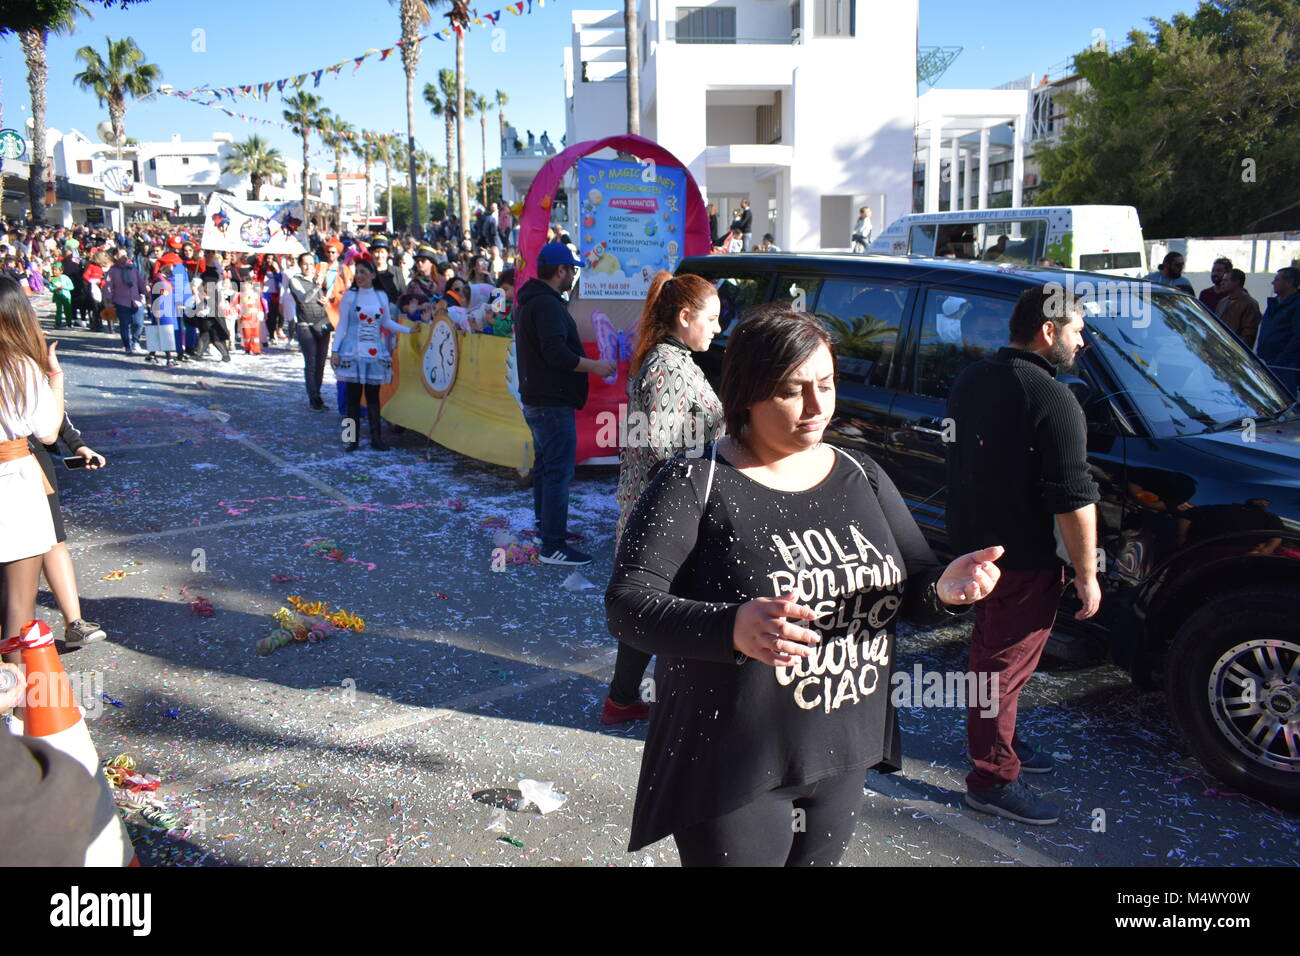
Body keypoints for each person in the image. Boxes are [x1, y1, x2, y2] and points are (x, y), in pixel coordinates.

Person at [605, 307, 1000, 865]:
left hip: (841, 750)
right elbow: (627, 607)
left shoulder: (859, 473)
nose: (817, 408)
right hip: (733, 763)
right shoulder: (696, 481)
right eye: (793, 391)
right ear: (746, 393)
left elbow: (911, 583)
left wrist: (944, 591)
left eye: (827, 384)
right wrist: (730, 626)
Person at [945, 284, 1101, 826]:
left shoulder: (972, 379)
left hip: (973, 557)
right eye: (1078, 331)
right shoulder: (1054, 399)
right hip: (1022, 564)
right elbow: (1073, 500)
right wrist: (1087, 573)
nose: (1083, 342)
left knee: (998, 667)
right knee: (999, 670)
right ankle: (991, 778)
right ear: (1049, 331)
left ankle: (1002, 740)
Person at [604, 272, 726, 726]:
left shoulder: (675, 360)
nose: (717, 327)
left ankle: (622, 700)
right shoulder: (666, 365)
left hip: (665, 505)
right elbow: (662, 447)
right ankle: (657, 702)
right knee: (666, 606)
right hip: (665, 508)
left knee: (653, 603)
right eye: (711, 319)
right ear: (685, 316)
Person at [515, 242, 616, 566]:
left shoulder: (536, 302)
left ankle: (547, 530)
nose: (573, 276)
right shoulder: (546, 305)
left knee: (546, 468)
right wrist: (594, 365)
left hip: (540, 400)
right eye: (571, 270)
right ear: (560, 271)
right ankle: (553, 546)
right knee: (557, 471)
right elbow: (556, 354)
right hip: (550, 403)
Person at [0, 277, 64, 661]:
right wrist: (54, 376)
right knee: (18, 608)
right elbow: (49, 431)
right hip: (13, 486)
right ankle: (14, 706)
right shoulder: (20, 366)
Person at [30, 412, 108, 646]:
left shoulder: (30, 375)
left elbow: (49, 409)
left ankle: (74, 624)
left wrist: (77, 445)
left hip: (28, 459)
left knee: (53, 540)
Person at [330, 257, 413, 450]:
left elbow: (386, 322)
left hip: (374, 350)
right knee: (352, 397)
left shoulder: (381, 296)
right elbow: (342, 324)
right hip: (352, 350)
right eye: (357, 272)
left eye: (363, 272)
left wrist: (409, 330)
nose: (359, 276)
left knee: (373, 397)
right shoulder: (349, 296)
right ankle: (349, 439)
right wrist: (335, 350)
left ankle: (377, 439)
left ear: (373, 275)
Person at [283, 252, 332, 409]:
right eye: (305, 263)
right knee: (311, 363)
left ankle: (317, 393)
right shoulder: (295, 280)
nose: (309, 267)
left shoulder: (319, 280)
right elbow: (304, 298)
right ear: (299, 265)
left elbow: (324, 300)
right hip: (305, 326)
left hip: (322, 324)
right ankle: (313, 398)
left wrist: (326, 301)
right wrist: (316, 286)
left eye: (311, 264)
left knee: (321, 363)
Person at [1255, 266, 1300, 391]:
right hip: (1266, 362)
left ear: (1289, 283)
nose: (1273, 282)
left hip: (1284, 367)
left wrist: (1281, 360)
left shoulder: (1296, 305)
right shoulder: (1274, 304)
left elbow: (1298, 337)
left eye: (1277, 279)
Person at [192, 251, 232, 362]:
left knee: (217, 328)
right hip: (204, 298)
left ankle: (225, 355)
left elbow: (220, 285)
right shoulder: (201, 266)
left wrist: (221, 301)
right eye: (208, 253)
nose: (210, 255)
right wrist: (198, 295)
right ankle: (199, 353)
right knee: (205, 329)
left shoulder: (217, 267)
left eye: (212, 253)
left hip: (215, 299)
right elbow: (196, 284)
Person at [106, 247, 147, 355]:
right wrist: (109, 300)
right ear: (116, 257)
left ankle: (136, 341)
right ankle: (127, 345)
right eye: (121, 255)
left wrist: (145, 293)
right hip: (121, 301)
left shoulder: (133, 269)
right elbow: (108, 286)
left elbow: (140, 282)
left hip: (136, 300)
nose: (125, 257)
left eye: (126, 255)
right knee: (125, 325)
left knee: (139, 323)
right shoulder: (112, 271)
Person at [1214, 268, 1261, 348]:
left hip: (1235, 351)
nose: (1222, 283)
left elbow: (1248, 334)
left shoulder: (1250, 303)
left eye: (1226, 281)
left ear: (1237, 282)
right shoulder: (1222, 302)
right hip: (1219, 348)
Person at [49, 262, 74, 330]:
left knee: (67, 310)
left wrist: (64, 287)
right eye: (53, 270)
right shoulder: (52, 278)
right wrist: (54, 289)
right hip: (57, 296)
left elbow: (71, 287)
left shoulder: (65, 278)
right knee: (58, 310)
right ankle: (58, 323)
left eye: (56, 270)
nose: (54, 271)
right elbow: (50, 287)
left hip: (66, 297)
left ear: (61, 271)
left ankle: (69, 322)